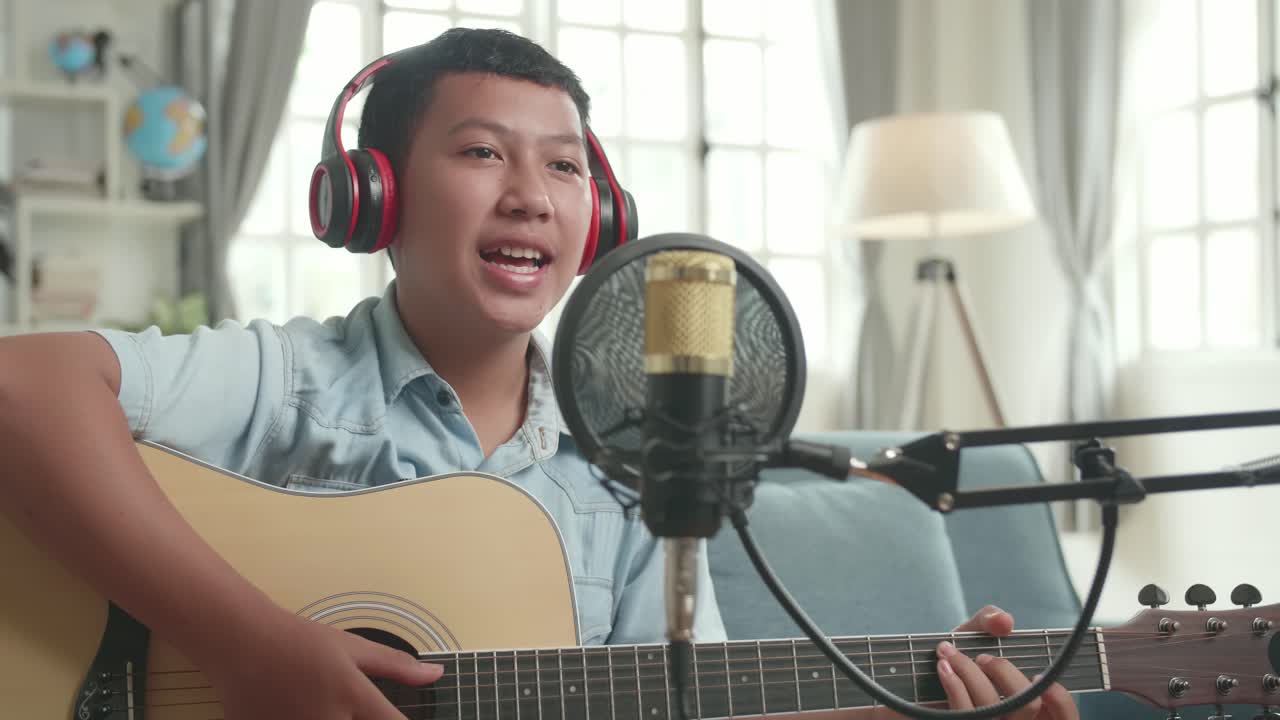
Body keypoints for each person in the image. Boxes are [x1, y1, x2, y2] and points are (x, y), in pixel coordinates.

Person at [0, 28, 1076, 720]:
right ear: (372, 200)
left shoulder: (627, 464)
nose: (532, 194)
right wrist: (248, 646)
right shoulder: (287, 377)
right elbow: (21, 388)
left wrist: (934, 707)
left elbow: (674, 704)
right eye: (480, 154)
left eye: (564, 165)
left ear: (598, 216)